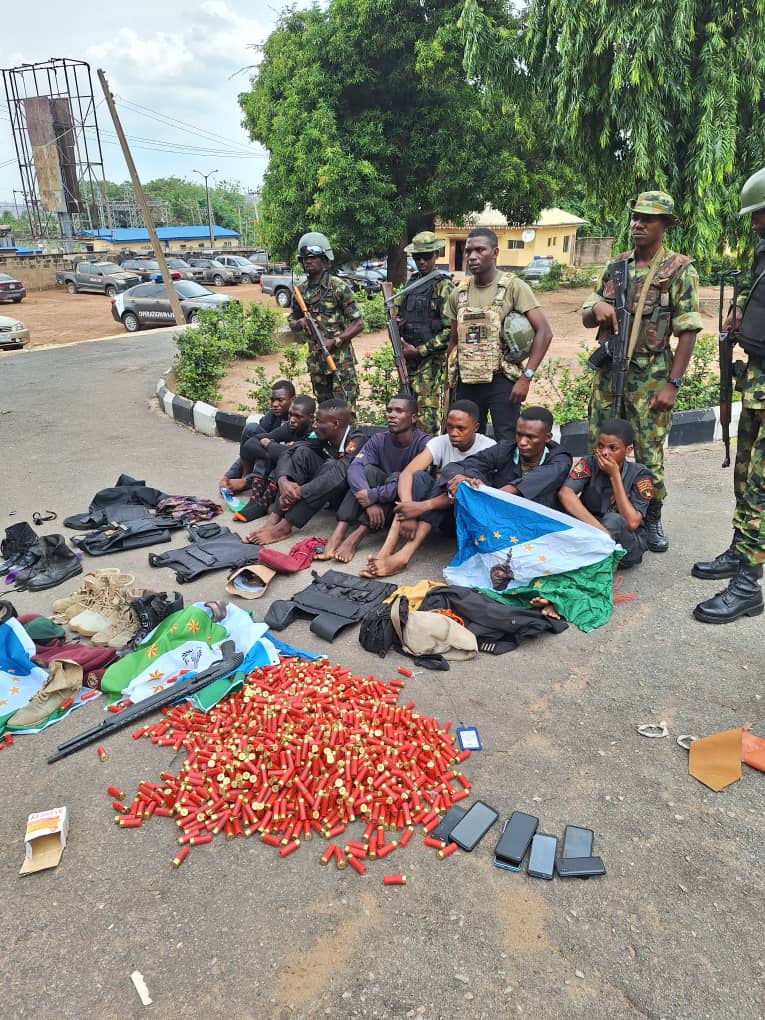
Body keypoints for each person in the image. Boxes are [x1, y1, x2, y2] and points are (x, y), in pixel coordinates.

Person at [582, 191, 702, 554]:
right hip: (609, 373)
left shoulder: (678, 270)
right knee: (599, 443)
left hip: (650, 374)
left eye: (648, 219)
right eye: (635, 217)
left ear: (665, 225)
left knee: (649, 450)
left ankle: (650, 517)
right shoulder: (617, 266)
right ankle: (595, 511)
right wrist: (598, 306)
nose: (638, 224)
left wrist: (673, 384)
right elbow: (587, 314)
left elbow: (688, 330)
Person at [692, 168, 765, 623]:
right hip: (757, 379)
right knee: (744, 474)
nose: (753, 223)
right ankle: (742, 551)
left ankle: (750, 585)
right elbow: (751, 290)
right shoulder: (763, 249)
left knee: (761, 486)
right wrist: (738, 310)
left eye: (759, 214)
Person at [361, 399, 495, 578]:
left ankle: (403, 557)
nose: (453, 433)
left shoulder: (488, 448)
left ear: (476, 427)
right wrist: (408, 508)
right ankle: (385, 551)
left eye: (461, 428)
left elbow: (476, 496)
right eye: (449, 427)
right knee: (419, 477)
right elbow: (407, 474)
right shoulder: (441, 442)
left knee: (450, 480)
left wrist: (421, 507)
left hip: (462, 519)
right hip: (439, 512)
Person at [444, 227, 553, 440]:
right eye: (468, 251)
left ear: (495, 253)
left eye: (480, 250)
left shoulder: (514, 287)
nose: (472, 256)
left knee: (507, 440)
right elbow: (454, 341)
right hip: (467, 382)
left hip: (501, 380)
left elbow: (545, 332)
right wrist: (450, 381)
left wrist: (526, 377)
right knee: (467, 440)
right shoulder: (458, 293)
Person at [317, 394, 429, 563]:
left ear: (413, 418)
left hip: (402, 502)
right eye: (389, 410)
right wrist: (368, 501)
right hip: (376, 496)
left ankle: (356, 536)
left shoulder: (425, 443)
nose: (391, 415)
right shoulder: (378, 439)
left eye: (399, 411)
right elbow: (355, 468)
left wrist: (373, 495)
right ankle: (339, 532)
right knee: (367, 470)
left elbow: (416, 481)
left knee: (398, 477)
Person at [243, 400, 367, 545]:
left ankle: (285, 526)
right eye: (315, 421)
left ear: (336, 424)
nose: (314, 425)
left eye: (319, 422)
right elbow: (289, 452)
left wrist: (299, 492)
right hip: (323, 491)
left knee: (332, 466)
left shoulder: (357, 440)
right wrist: (283, 481)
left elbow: (338, 475)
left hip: (348, 499)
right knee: (301, 452)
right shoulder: (322, 435)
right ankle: (274, 518)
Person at [558, 419, 654, 568]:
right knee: (560, 508)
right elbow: (566, 493)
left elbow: (632, 522)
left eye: (612, 448)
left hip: (625, 544)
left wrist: (615, 475)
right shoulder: (589, 463)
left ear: (628, 450)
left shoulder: (640, 474)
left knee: (613, 520)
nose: (604, 452)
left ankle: (594, 563)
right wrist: (601, 531)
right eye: (600, 446)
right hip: (593, 531)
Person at [440, 406, 572, 508]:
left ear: (548, 437)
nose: (522, 442)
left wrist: (492, 494)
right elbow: (458, 466)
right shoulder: (505, 449)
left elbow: (535, 479)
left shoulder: (561, 459)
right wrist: (466, 479)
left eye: (530, 437)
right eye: (519, 434)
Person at [288, 232, 364, 404]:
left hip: (340, 361)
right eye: (305, 258)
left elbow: (358, 323)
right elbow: (292, 322)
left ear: (324, 259)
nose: (308, 262)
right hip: (317, 364)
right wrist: (300, 323)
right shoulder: (300, 292)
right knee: (324, 410)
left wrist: (335, 342)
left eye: (313, 257)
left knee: (345, 409)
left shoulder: (338, 287)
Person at [397, 231, 454, 433]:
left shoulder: (444, 286)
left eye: (426, 256)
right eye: (417, 257)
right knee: (404, 412)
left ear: (436, 255)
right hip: (408, 360)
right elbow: (401, 315)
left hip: (430, 362)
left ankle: (427, 452)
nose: (421, 261)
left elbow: (451, 331)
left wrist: (420, 351)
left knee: (425, 417)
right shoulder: (411, 283)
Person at [232, 396, 316, 522]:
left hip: (306, 478)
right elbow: (251, 443)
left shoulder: (315, 434)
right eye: (290, 415)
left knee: (285, 461)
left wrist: (271, 446)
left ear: (311, 418)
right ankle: (255, 499)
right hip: (286, 470)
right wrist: (271, 454)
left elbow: (296, 455)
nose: (292, 420)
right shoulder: (289, 427)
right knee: (265, 457)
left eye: (298, 416)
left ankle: (263, 504)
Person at [219, 381, 296, 494]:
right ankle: (244, 476)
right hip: (268, 457)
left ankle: (247, 481)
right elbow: (251, 445)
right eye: (272, 400)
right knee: (252, 432)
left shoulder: (298, 421)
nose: (275, 404)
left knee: (265, 447)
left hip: (285, 465)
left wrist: (246, 481)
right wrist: (226, 477)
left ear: (293, 400)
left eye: (280, 400)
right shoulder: (272, 417)